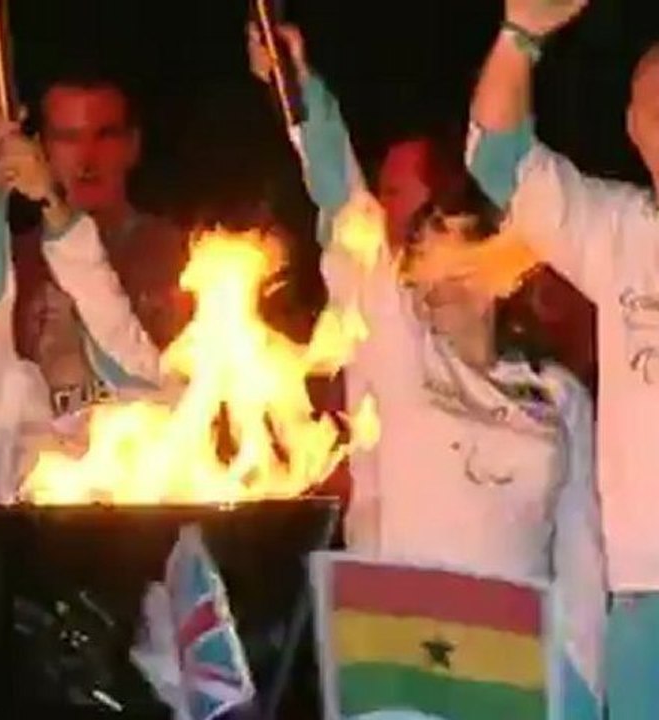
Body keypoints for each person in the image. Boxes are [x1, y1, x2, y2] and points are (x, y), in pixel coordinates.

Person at [249, 23, 606, 717]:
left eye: (453, 260)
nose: (431, 282)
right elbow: (345, 208)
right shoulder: (400, 363)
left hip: (517, 674)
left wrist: (584, 693)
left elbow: (583, 561)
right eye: (419, 264)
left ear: (500, 269)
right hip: (404, 667)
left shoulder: (557, 395)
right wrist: (302, 93)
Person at [466, 1, 659, 715]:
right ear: (635, 130)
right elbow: (496, 158)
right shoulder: (619, 233)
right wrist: (521, 36)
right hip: (646, 598)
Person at [0, 71, 191, 505]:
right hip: (26, 562)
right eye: (67, 137)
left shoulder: (184, 270)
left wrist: (52, 205)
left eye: (103, 135)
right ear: (43, 148)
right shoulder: (8, 400)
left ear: (132, 145)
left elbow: (112, 321)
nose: (86, 158)